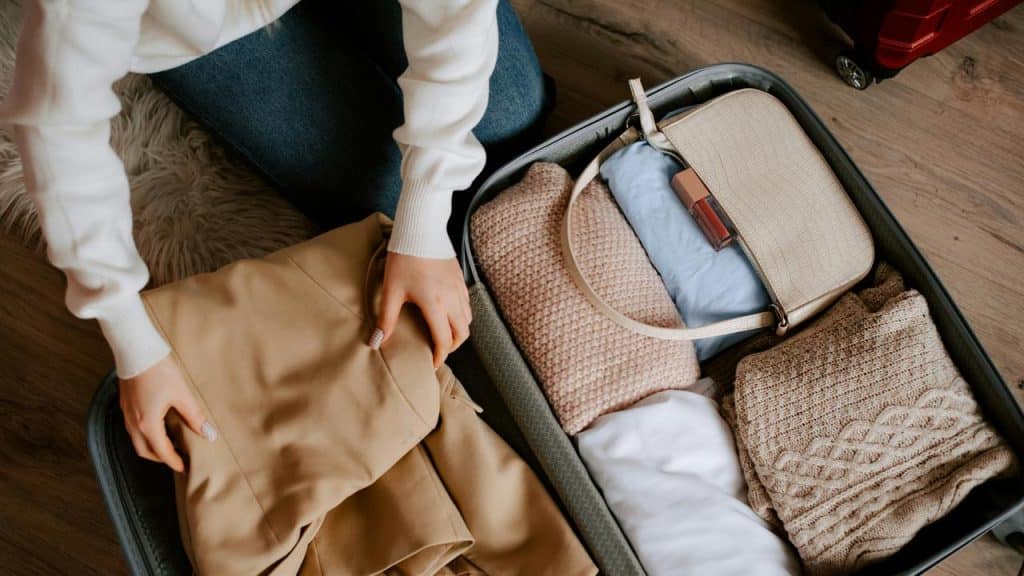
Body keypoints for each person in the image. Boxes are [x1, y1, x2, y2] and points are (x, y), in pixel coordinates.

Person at [0, 0, 548, 472]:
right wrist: (133, 341)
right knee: (382, 191)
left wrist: (424, 217)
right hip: (196, 28)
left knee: (511, 110)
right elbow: (56, 125)